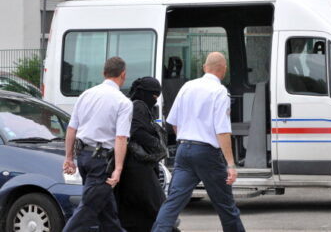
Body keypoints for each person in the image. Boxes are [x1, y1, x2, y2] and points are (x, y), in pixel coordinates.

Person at [152, 52, 246, 232]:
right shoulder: (220, 92)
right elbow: (222, 131)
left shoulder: (187, 86)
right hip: (207, 153)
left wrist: (187, 138)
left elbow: (174, 123)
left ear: (204, 67)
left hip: (184, 150)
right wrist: (231, 164)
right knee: (225, 205)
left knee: (172, 203)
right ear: (223, 70)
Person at [62, 56, 132, 232]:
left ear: (104, 73)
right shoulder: (123, 102)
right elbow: (121, 138)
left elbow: (71, 129)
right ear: (123, 75)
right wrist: (118, 169)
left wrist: (69, 158)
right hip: (101, 162)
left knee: (107, 214)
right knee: (88, 209)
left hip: (84, 157)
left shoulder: (86, 94)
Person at [115, 76, 178, 232]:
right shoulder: (139, 107)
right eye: (154, 96)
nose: (155, 100)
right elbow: (136, 132)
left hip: (133, 166)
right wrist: (156, 145)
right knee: (159, 206)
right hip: (138, 167)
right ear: (145, 93)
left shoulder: (133, 105)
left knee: (137, 212)